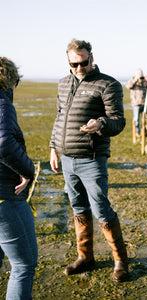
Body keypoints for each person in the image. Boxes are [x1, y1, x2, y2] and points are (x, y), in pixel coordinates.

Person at [50, 39, 128, 282]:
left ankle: (120, 262)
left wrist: (101, 124)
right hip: (66, 159)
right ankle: (85, 257)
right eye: (74, 64)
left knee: (101, 208)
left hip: (92, 159)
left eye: (84, 63)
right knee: (78, 208)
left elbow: (118, 121)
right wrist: (53, 147)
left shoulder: (108, 84)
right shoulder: (63, 84)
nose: (79, 68)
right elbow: (59, 117)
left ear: (91, 58)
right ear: (69, 62)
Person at [0, 57, 38, 299]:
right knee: (23, 265)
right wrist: (28, 170)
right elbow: (3, 143)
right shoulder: (2, 105)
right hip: (5, 197)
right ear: (10, 81)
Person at [126, 69, 147, 137]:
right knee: (136, 119)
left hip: (145, 103)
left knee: (146, 118)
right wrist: (136, 79)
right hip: (136, 104)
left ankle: (145, 131)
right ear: (136, 74)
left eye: (141, 74)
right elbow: (128, 86)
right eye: (139, 74)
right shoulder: (133, 80)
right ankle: (137, 132)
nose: (140, 75)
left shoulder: (145, 81)